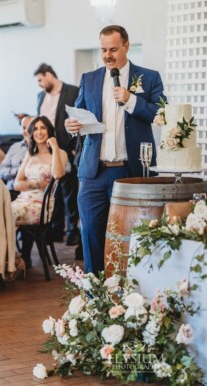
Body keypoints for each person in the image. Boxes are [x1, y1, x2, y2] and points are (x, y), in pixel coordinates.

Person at [65, 24, 166, 275]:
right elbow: (80, 114)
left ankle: (132, 295)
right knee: (90, 235)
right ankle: (94, 296)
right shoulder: (89, 79)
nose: (108, 55)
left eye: (113, 49)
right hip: (93, 173)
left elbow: (161, 114)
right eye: (103, 50)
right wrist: (72, 126)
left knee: (133, 236)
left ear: (126, 46)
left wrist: (131, 99)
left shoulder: (149, 77)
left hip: (130, 172)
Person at [12, 116, 68, 267]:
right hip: (23, 200)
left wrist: (55, 147)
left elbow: (58, 174)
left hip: (41, 205)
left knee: (5, 213)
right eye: (35, 129)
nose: (39, 132)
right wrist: (37, 183)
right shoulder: (30, 155)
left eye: (43, 128)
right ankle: (8, 260)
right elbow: (17, 184)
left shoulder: (60, 153)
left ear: (49, 130)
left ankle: (13, 262)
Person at [34, 63, 80, 245]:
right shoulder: (40, 96)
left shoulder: (72, 91)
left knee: (69, 192)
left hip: (67, 147)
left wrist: (76, 146)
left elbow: (78, 118)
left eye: (40, 80)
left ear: (49, 75)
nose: (39, 84)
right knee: (54, 192)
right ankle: (55, 230)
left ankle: (72, 232)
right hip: (47, 149)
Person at [0, 115, 34, 200]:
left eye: (29, 128)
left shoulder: (42, 148)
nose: (26, 131)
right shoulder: (15, 147)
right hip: (10, 190)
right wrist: (17, 171)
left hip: (29, 192)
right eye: (23, 128)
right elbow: (0, 171)